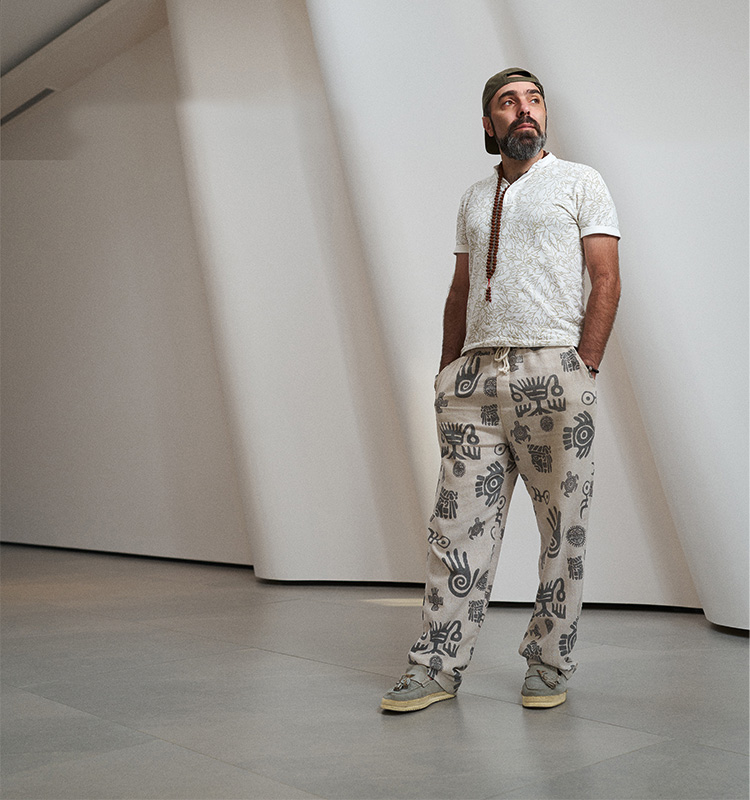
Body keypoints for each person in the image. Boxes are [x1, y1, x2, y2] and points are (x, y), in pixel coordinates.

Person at [381, 68, 621, 712]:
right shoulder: (472, 198)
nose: (525, 110)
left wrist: (585, 367)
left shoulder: (581, 182)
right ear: (490, 124)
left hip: (554, 373)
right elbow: (460, 291)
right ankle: (435, 667)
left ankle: (549, 662)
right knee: (455, 529)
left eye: (534, 100)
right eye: (509, 103)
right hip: (475, 381)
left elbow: (605, 278)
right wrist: (446, 373)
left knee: (563, 529)